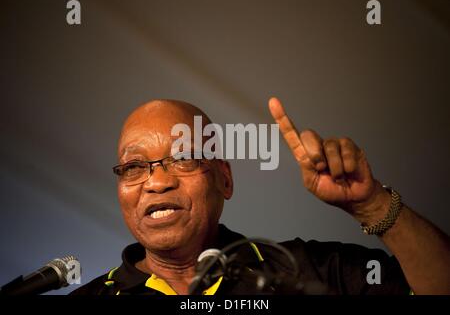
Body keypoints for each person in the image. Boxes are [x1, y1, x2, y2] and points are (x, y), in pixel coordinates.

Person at [70, 98, 450, 295]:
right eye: (134, 167)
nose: (156, 182)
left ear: (225, 180)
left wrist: (372, 204)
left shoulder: (313, 273)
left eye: (183, 158)